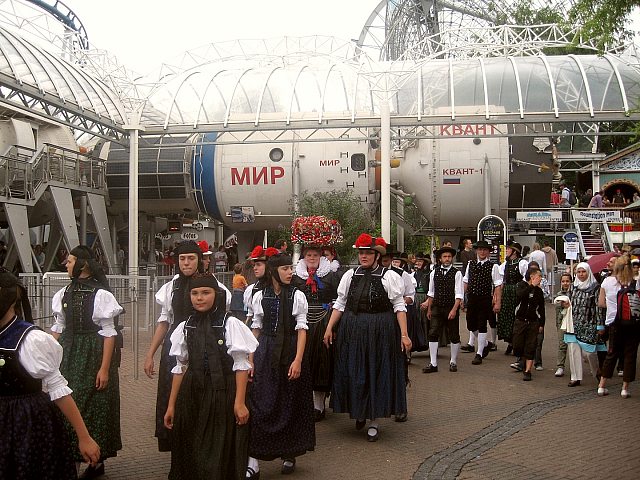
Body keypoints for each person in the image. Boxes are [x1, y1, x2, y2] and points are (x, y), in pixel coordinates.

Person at [1, 268, 101, 479]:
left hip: (27, 424)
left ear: (11, 298)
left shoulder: (30, 340)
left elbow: (58, 389)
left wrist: (84, 437)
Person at [164, 273, 258, 479]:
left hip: (222, 393)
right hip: (193, 394)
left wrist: (239, 402)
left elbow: (241, 365)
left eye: (205, 293)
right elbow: (180, 367)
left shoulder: (229, 323)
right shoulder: (185, 326)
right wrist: (171, 405)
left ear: (216, 295)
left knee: (218, 449)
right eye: (195, 293)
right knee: (192, 447)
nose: (199, 298)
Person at [144, 241, 230, 452]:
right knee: (172, 393)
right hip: (174, 347)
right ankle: (177, 440)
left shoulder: (214, 286)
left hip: (205, 345)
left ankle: (202, 441)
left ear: (199, 260)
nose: (186, 263)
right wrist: (150, 354)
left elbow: (222, 319)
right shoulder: (171, 286)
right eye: (182, 259)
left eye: (191, 258)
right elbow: (164, 321)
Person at [324, 234, 410, 443]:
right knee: (355, 371)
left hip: (380, 331)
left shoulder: (388, 277)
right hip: (352, 330)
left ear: (376, 255)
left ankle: (373, 421)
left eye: (368, 253)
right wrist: (328, 328)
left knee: (375, 372)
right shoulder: (350, 275)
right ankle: (359, 410)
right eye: (361, 252)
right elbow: (340, 304)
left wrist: (404, 335)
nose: (363, 256)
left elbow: (399, 307)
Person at [50, 246, 123, 478]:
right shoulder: (63, 293)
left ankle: (94, 461)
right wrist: (48, 353)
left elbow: (109, 332)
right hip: (69, 352)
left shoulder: (101, 295)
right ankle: (74, 460)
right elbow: (58, 328)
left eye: (70, 261)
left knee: (94, 405)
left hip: (93, 351)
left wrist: (104, 368)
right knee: (68, 403)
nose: (66, 264)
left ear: (84, 265)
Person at [247, 252, 314, 477]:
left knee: (290, 401)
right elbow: (256, 328)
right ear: (274, 271)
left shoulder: (297, 295)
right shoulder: (259, 296)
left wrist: (297, 360)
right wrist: (250, 358)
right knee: (262, 401)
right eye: (285, 269)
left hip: (290, 350)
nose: (290, 272)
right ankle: (254, 459)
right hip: (265, 351)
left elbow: (302, 329)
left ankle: (289, 453)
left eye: (291, 268)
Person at [291, 244, 341, 422]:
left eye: (315, 255)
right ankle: (305, 403)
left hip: (324, 321)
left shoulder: (331, 276)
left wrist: (333, 327)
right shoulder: (296, 277)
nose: (311, 258)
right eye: (308, 255)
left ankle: (319, 405)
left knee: (322, 362)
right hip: (302, 323)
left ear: (321, 256)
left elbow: (338, 301)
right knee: (304, 360)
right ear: (303, 257)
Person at [597, 256, 640, 398]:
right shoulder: (635, 282)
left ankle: (602, 385)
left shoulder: (607, 282)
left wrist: (612, 305)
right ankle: (625, 388)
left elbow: (601, 303)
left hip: (614, 322)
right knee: (630, 355)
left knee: (612, 353)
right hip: (632, 323)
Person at [562, 263, 604, 387]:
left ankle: (597, 371)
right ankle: (575, 377)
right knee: (573, 350)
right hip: (574, 323)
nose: (581, 274)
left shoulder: (595, 288)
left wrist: (600, 325)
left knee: (589, 353)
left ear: (588, 272)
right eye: (578, 272)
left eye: (583, 272)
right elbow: (568, 300)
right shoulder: (573, 286)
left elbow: (598, 308)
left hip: (589, 324)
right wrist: (564, 304)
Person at [422, 245, 463, 373]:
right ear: (440, 259)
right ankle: (433, 363)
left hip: (450, 307)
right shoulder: (434, 272)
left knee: (454, 335)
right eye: (444, 256)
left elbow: (459, 294)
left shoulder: (457, 273)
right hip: (437, 307)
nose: (447, 259)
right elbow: (431, 292)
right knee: (433, 333)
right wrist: (429, 309)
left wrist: (454, 310)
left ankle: (453, 361)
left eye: (449, 256)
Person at [461, 240, 502, 365]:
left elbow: (498, 285)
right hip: (472, 298)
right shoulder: (471, 264)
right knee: (471, 324)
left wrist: (498, 302)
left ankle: (479, 353)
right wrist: (461, 298)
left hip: (485, 298)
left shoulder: (493, 266)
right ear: (476, 251)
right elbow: (466, 281)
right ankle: (486, 343)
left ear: (488, 252)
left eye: (485, 250)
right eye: (480, 249)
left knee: (482, 324)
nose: (482, 252)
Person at [513, 268, 545, 381]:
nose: (540, 279)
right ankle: (522, 360)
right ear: (532, 277)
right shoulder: (521, 285)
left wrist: (542, 324)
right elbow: (520, 296)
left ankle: (528, 371)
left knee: (531, 346)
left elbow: (541, 309)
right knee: (517, 345)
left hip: (533, 322)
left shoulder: (539, 291)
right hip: (521, 320)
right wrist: (531, 286)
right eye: (539, 276)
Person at [496, 242, 529, 354]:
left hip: (517, 292)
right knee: (507, 317)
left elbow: (527, 278)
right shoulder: (505, 264)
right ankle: (510, 342)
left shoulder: (522, 263)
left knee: (516, 317)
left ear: (514, 251)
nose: (507, 251)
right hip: (507, 292)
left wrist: (520, 288)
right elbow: (500, 280)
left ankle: (516, 343)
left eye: (509, 249)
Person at [552, 273, 573, 377]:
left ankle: (575, 367)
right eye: (563, 281)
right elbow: (557, 308)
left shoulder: (574, 293)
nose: (565, 283)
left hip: (573, 322)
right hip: (561, 323)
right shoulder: (559, 294)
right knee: (562, 345)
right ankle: (560, 366)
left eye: (567, 281)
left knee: (574, 346)